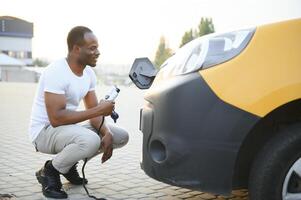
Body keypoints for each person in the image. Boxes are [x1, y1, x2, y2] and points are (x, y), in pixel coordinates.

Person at [29, 26, 129, 199]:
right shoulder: (56, 71)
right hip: (43, 133)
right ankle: (49, 171)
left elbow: (94, 113)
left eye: (97, 47)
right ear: (76, 49)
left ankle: (67, 165)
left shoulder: (88, 73)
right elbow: (56, 118)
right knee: (89, 140)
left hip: (65, 129)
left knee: (119, 135)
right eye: (92, 48)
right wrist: (98, 109)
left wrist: (107, 132)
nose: (98, 52)